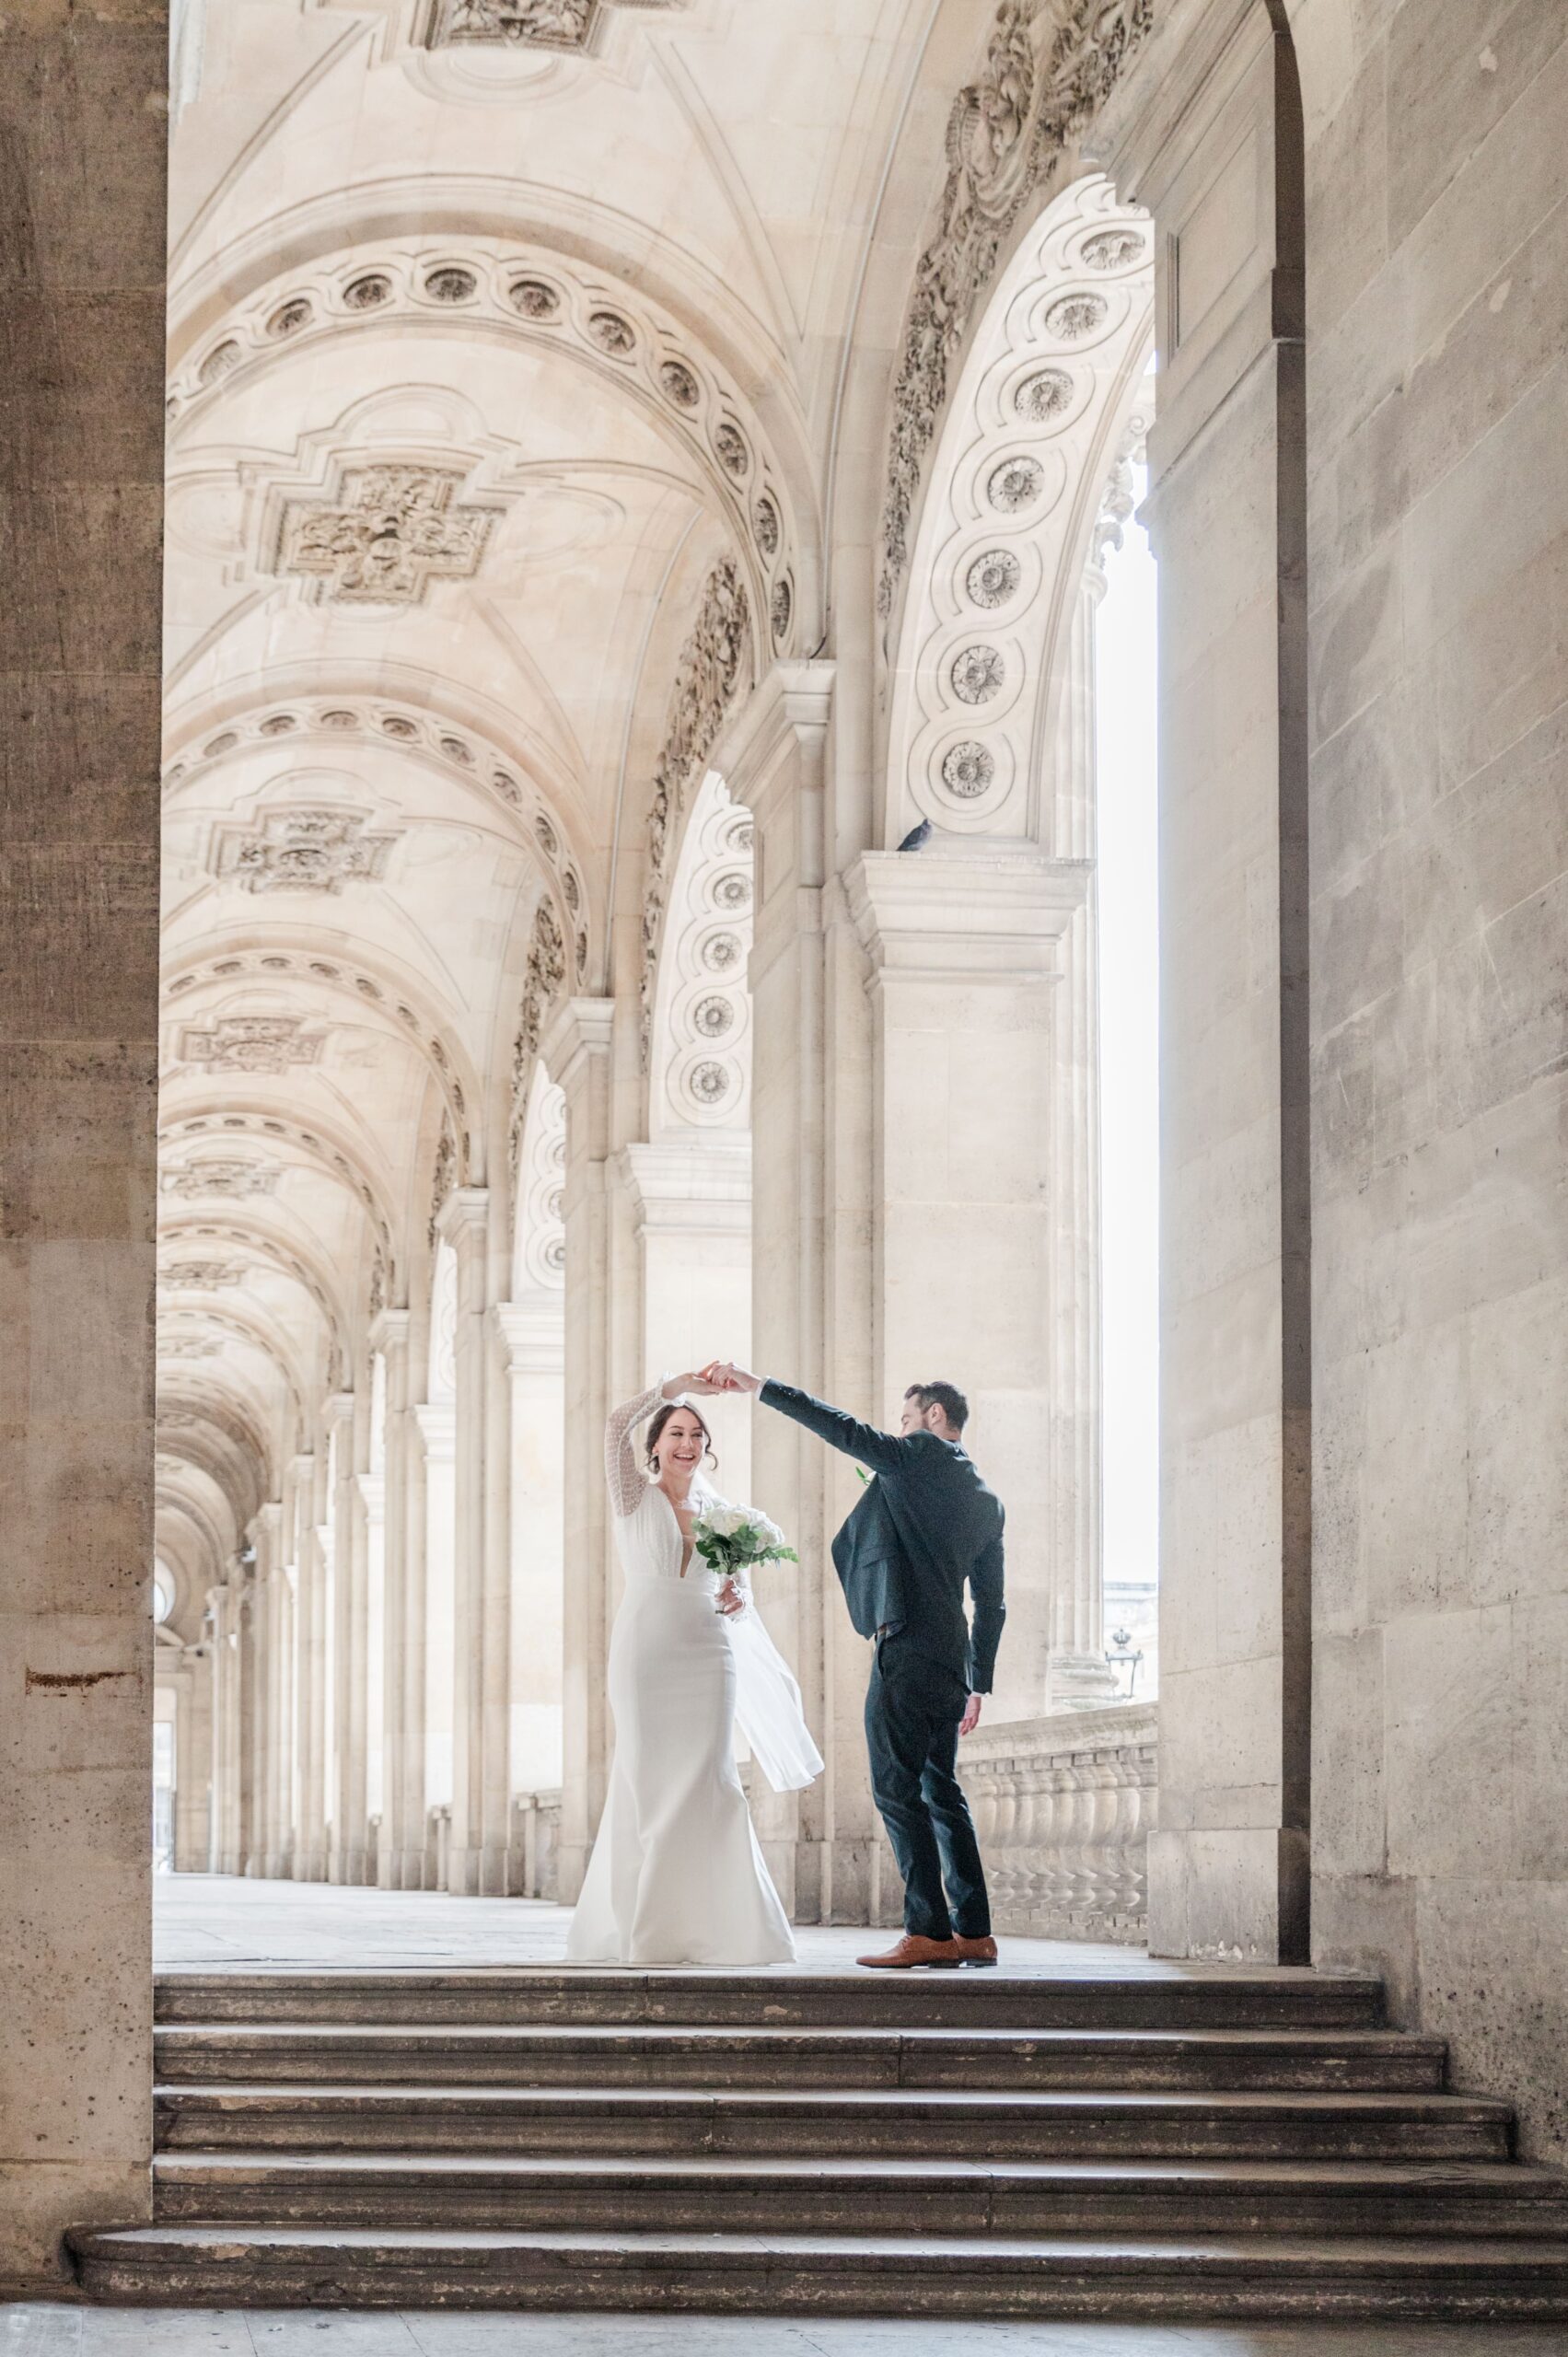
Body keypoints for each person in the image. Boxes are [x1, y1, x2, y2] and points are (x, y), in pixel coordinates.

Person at [709, 1364, 1005, 1969]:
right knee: (940, 1789)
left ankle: (927, 1930)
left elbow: (840, 1429)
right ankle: (974, 1929)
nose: (896, 1434)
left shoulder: (917, 1457)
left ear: (931, 1417)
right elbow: (992, 1603)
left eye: (905, 1420)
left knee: (896, 1789)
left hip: (905, 1649)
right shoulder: (985, 1500)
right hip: (951, 1659)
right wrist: (978, 1680)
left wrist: (762, 1386)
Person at [564, 1372, 821, 1968]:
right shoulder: (634, 1495)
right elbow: (611, 1425)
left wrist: (738, 1597)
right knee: (648, 1780)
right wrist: (674, 1387)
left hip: (709, 1652)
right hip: (646, 1649)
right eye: (676, 1432)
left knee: (711, 1781)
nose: (687, 1443)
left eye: (697, 1435)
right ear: (655, 1444)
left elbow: (739, 1593)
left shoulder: (727, 1515)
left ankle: (724, 1929)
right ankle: (649, 1929)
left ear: (707, 1448)